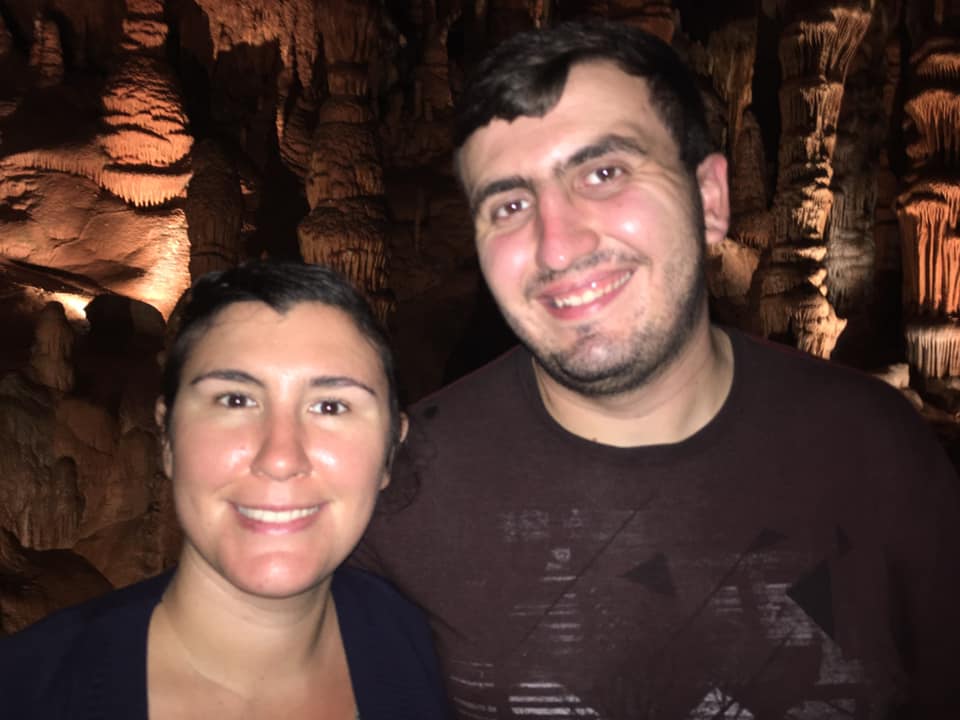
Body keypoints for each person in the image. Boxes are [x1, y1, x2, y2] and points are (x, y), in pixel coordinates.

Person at [354, 19, 960, 719]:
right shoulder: (403, 493)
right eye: (510, 204)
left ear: (710, 200)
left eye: (604, 173)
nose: (558, 245)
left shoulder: (876, 450)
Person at [0, 261, 451, 719]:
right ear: (168, 438)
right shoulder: (27, 693)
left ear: (391, 449)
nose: (280, 458)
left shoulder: (416, 645)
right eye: (235, 400)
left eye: (331, 406)